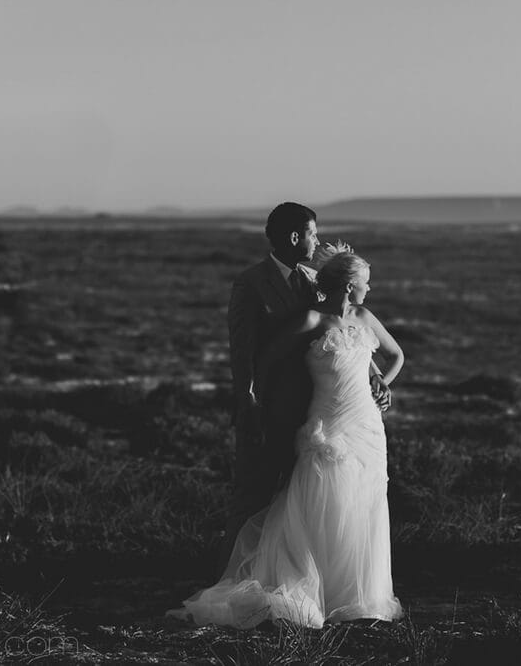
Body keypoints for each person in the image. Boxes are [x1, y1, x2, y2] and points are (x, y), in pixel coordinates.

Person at [170, 243, 404, 628]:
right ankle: (315, 589)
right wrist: (257, 402)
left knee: (366, 501)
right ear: (348, 286)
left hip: (366, 423)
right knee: (323, 498)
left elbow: (395, 356)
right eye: (365, 283)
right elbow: (267, 360)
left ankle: (356, 596)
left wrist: (381, 383)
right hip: (328, 422)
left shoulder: (364, 317)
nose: (369, 289)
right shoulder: (311, 321)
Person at [217, 203, 390, 576]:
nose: (318, 239)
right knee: (254, 494)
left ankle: (293, 577)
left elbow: (339, 329)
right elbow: (243, 351)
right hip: (270, 409)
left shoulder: (314, 279)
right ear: (296, 237)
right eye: (313, 233)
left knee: (300, 503)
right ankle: (230, 577)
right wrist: (249, 403)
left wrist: (373, 373)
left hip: (314, 412)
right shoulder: (251, 283)